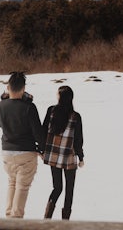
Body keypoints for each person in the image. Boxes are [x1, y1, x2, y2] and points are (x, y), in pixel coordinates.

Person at [0, 71, 43, 218]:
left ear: (8, 87)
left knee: (12, 183)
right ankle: (15, 221)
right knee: (22, 187)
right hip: (26, 153)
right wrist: (42, 149)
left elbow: (1, 125)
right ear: (23, 89)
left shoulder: (1, 105)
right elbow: (38, 133)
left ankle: (9, 217)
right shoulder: (29, 107)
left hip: (7, 152)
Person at [42, 85, 84, 220]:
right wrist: (81, 157)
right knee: (69, 190)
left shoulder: (51, 111)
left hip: (53, 156)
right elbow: (78, 139)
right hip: (69, 157)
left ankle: (46, 219)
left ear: (60, 97)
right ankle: (65, 223)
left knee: (57, 187)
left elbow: (43, 132)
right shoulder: (76, 116)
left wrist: (41, 150)